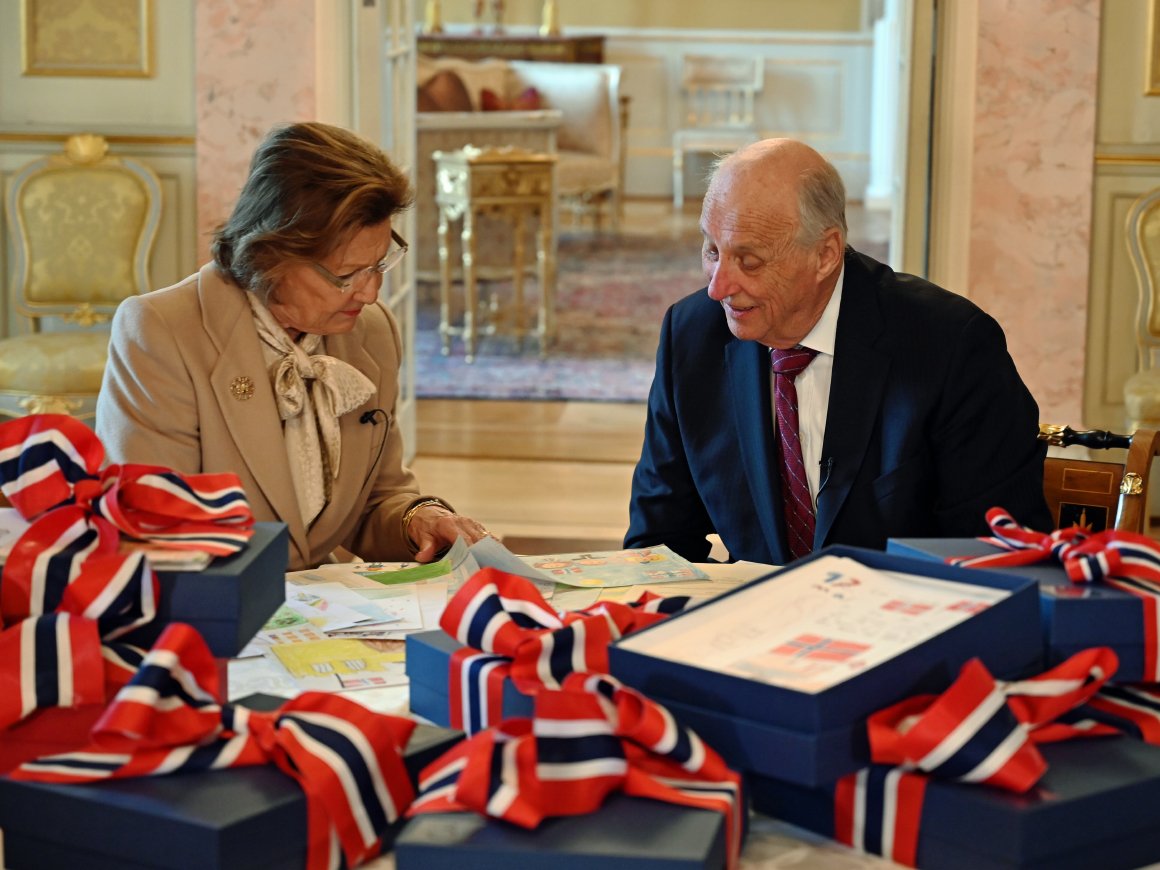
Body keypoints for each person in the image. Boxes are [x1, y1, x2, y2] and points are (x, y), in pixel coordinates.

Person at [625, 138, 1052, 565]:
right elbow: (657, 546)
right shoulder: (692, 337)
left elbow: (996, 556)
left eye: (749, 261)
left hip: (904, 604)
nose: (718, 287)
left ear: (825, 254)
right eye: (712, 250)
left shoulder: (952, 346)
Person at [97, 121, 489, 570]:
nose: (369, 293)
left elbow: (376, 499)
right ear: (271, 254)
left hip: (320, 602)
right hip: (212, 600)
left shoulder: (371, 333)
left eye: (380, 264)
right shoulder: (162, 332)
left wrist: (418, 519)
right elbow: (157, 532)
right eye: (346, 275)